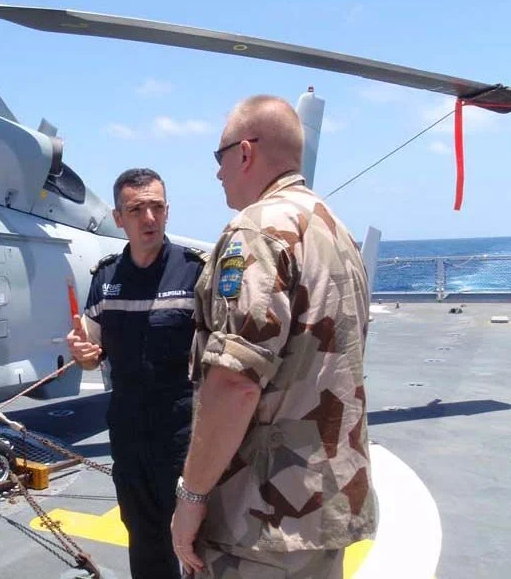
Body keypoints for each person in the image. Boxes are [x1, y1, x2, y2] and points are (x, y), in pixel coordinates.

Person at [171, 95, 377, 578]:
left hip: (259, 521)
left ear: (244, 153)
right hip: (324, 508)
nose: (217, 173)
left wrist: (191, 496)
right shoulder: (335, 230)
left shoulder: (255, 232)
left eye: (218, 157)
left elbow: (236, 382)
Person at [66, 168, 208, 579]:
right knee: (143, 539)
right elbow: (91, 352)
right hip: (128, 438)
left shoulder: (195, 272)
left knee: (197, 543)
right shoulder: (107, 277)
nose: (149, 218)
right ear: (118, 218)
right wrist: (81, 353)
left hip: (183, 437)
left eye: (157, 207)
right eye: (137, 209)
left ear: (167, 211)